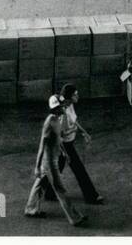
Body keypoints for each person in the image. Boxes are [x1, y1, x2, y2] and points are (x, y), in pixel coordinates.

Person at [24, 95, 87, 227]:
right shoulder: (50, 122)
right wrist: (37, 166)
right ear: (56, 108)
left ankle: (31, 209)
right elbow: (42, 144)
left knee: (40, 184)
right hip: (49, 163)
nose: (64, 107)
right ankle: (74, 218)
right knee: (60, 189)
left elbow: (58, 139)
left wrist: (64, 152)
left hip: (54, 158)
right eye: (61, 106)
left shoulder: (58, 120)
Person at [57, 84, 103, 204]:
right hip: (64, 145)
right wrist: (64, 152)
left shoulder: (70, 105)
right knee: (79, 170)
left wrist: (84, 132)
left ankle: (48, 193)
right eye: (75, 94)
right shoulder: (63, 114)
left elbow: (75, 121)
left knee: (56, 169)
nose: (78, 96)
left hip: (68, 142)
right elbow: (59, 135)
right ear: (69, 97)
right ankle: (91, 197)